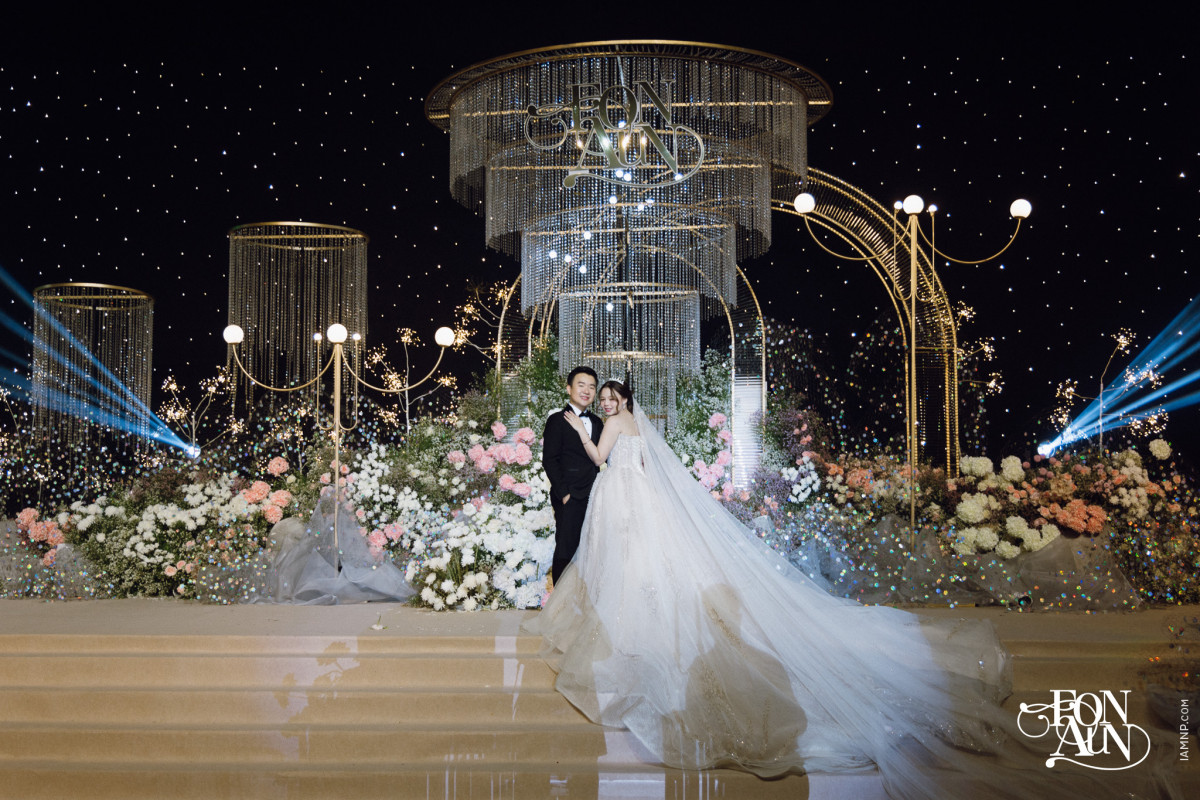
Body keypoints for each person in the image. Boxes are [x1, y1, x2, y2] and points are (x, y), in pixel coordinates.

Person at [526, 381, 1173, 799]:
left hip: (623, 500)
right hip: (637, 503)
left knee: (636, 566)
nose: (605, 402)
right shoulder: (644, 427)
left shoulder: (612, 428)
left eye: (610, 396)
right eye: (600, 398)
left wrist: (582, 432)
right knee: (644, 565)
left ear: (620, 400)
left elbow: (604, 461)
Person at [541, 366, 604, 586]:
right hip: (570, 496)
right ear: (569, 388)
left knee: (592, 551)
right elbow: (550, 460)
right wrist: (564, 494)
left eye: (592, 387)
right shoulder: (557, 420)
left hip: (595, 495)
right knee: (566, 550)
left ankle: (584, 600)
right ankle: (560, 602)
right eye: (581, 385)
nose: (586, 390)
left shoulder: (597, 422)